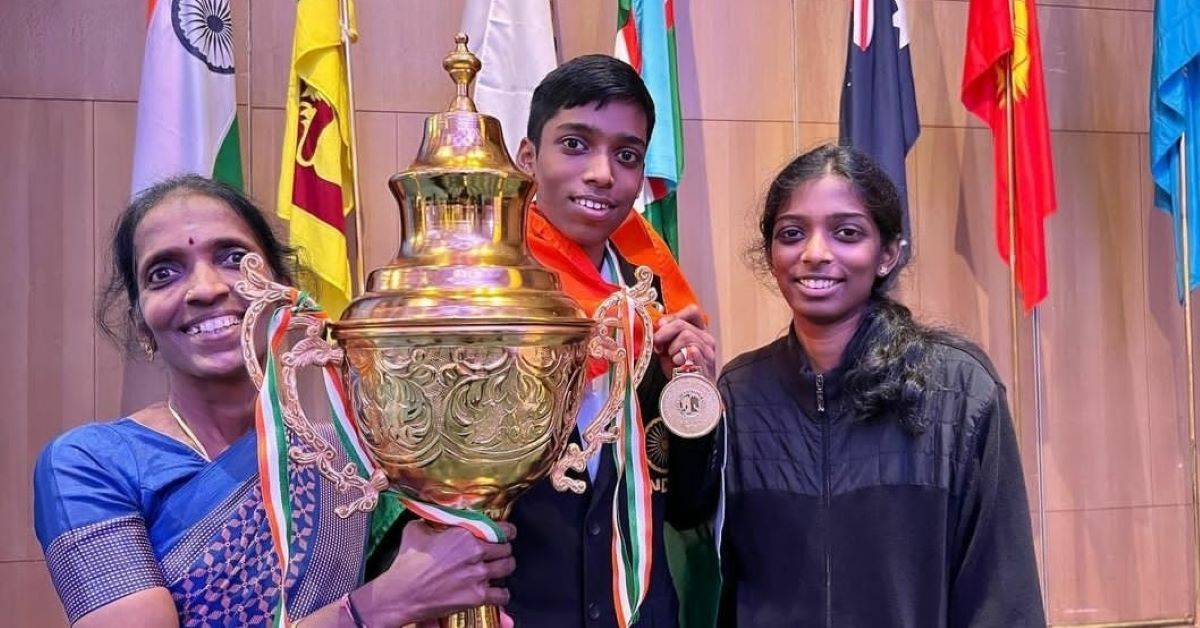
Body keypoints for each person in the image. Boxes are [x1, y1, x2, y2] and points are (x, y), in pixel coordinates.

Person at [32, 175, 516, 627]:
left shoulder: (349, 456)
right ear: (142, 323)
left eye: (233, 258)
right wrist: (377, 606)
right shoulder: (89, 464)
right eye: (163, 273)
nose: (206, 289)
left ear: (285, 290)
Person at [716, 144, 1045, 627]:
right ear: (771, 254)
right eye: (792, 233)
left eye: (846, 233)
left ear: (887, 254)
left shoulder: (958, 390)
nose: (815, 253)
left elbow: (1002, 596)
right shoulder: (740, 394)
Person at [513, 54, 720, 627]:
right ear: (528, 158)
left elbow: (687, 506)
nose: (603, 173)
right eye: (574, 144)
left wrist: (692, 394)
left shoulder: (655, 302)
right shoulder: (482, 295)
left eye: (627, 155)